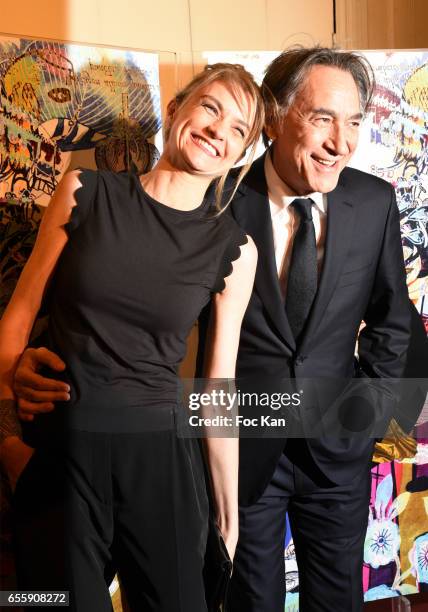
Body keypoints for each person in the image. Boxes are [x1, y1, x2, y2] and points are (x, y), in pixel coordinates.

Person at [8, 47, 427, 611]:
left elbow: (394, 322)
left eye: (354, 122)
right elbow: (96, 303)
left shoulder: (368, 202)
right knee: (59, 599)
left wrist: (368, 422)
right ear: (277, 119)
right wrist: (19, 393)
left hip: (332, 454)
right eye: (323, 118)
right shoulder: (218, 199)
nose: (341, 143)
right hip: (226, 452)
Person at [0, 63, 264, 611]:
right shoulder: (84, 192)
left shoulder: (234, 251)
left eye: (239, 129)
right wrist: (7, 441)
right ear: (177, 110)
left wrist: (227, 509)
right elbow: (18, 316)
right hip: (63, 453)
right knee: (47, 604)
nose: (220, 130)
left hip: (160, 463)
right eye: (211, 108)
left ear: (241, 154)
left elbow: (218, 385)